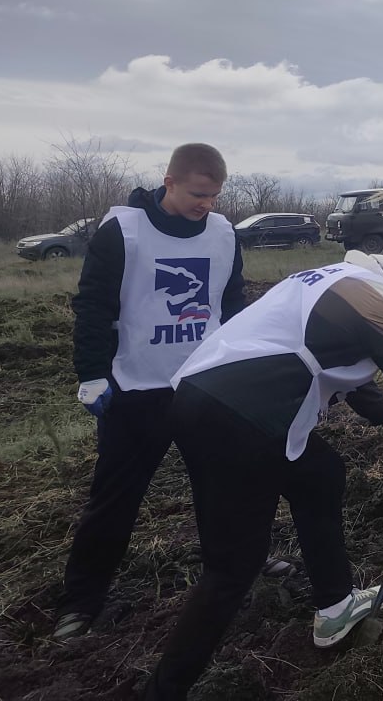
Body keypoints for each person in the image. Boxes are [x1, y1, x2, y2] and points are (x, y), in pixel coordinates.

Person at [141, 235, 383, 699]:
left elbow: (339, 362)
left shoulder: (333, 277)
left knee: (320, 473)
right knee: (231, 568)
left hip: (198, 396)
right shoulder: (378, 297)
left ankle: (334, 605)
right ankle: (164, 690)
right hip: (245, 419)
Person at [53, 143, 246, 641]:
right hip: (137, 390)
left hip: (204, 385)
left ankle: (238, 568)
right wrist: (92, 373)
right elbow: (93, 306)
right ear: (170, 181)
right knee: (114, 498)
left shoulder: (224, 235)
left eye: (214, 196)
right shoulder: (124, 232)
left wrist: (240, 364)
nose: (206, 204)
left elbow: (232, 303)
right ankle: (82, 600)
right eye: (198, 194)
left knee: (226, 487)